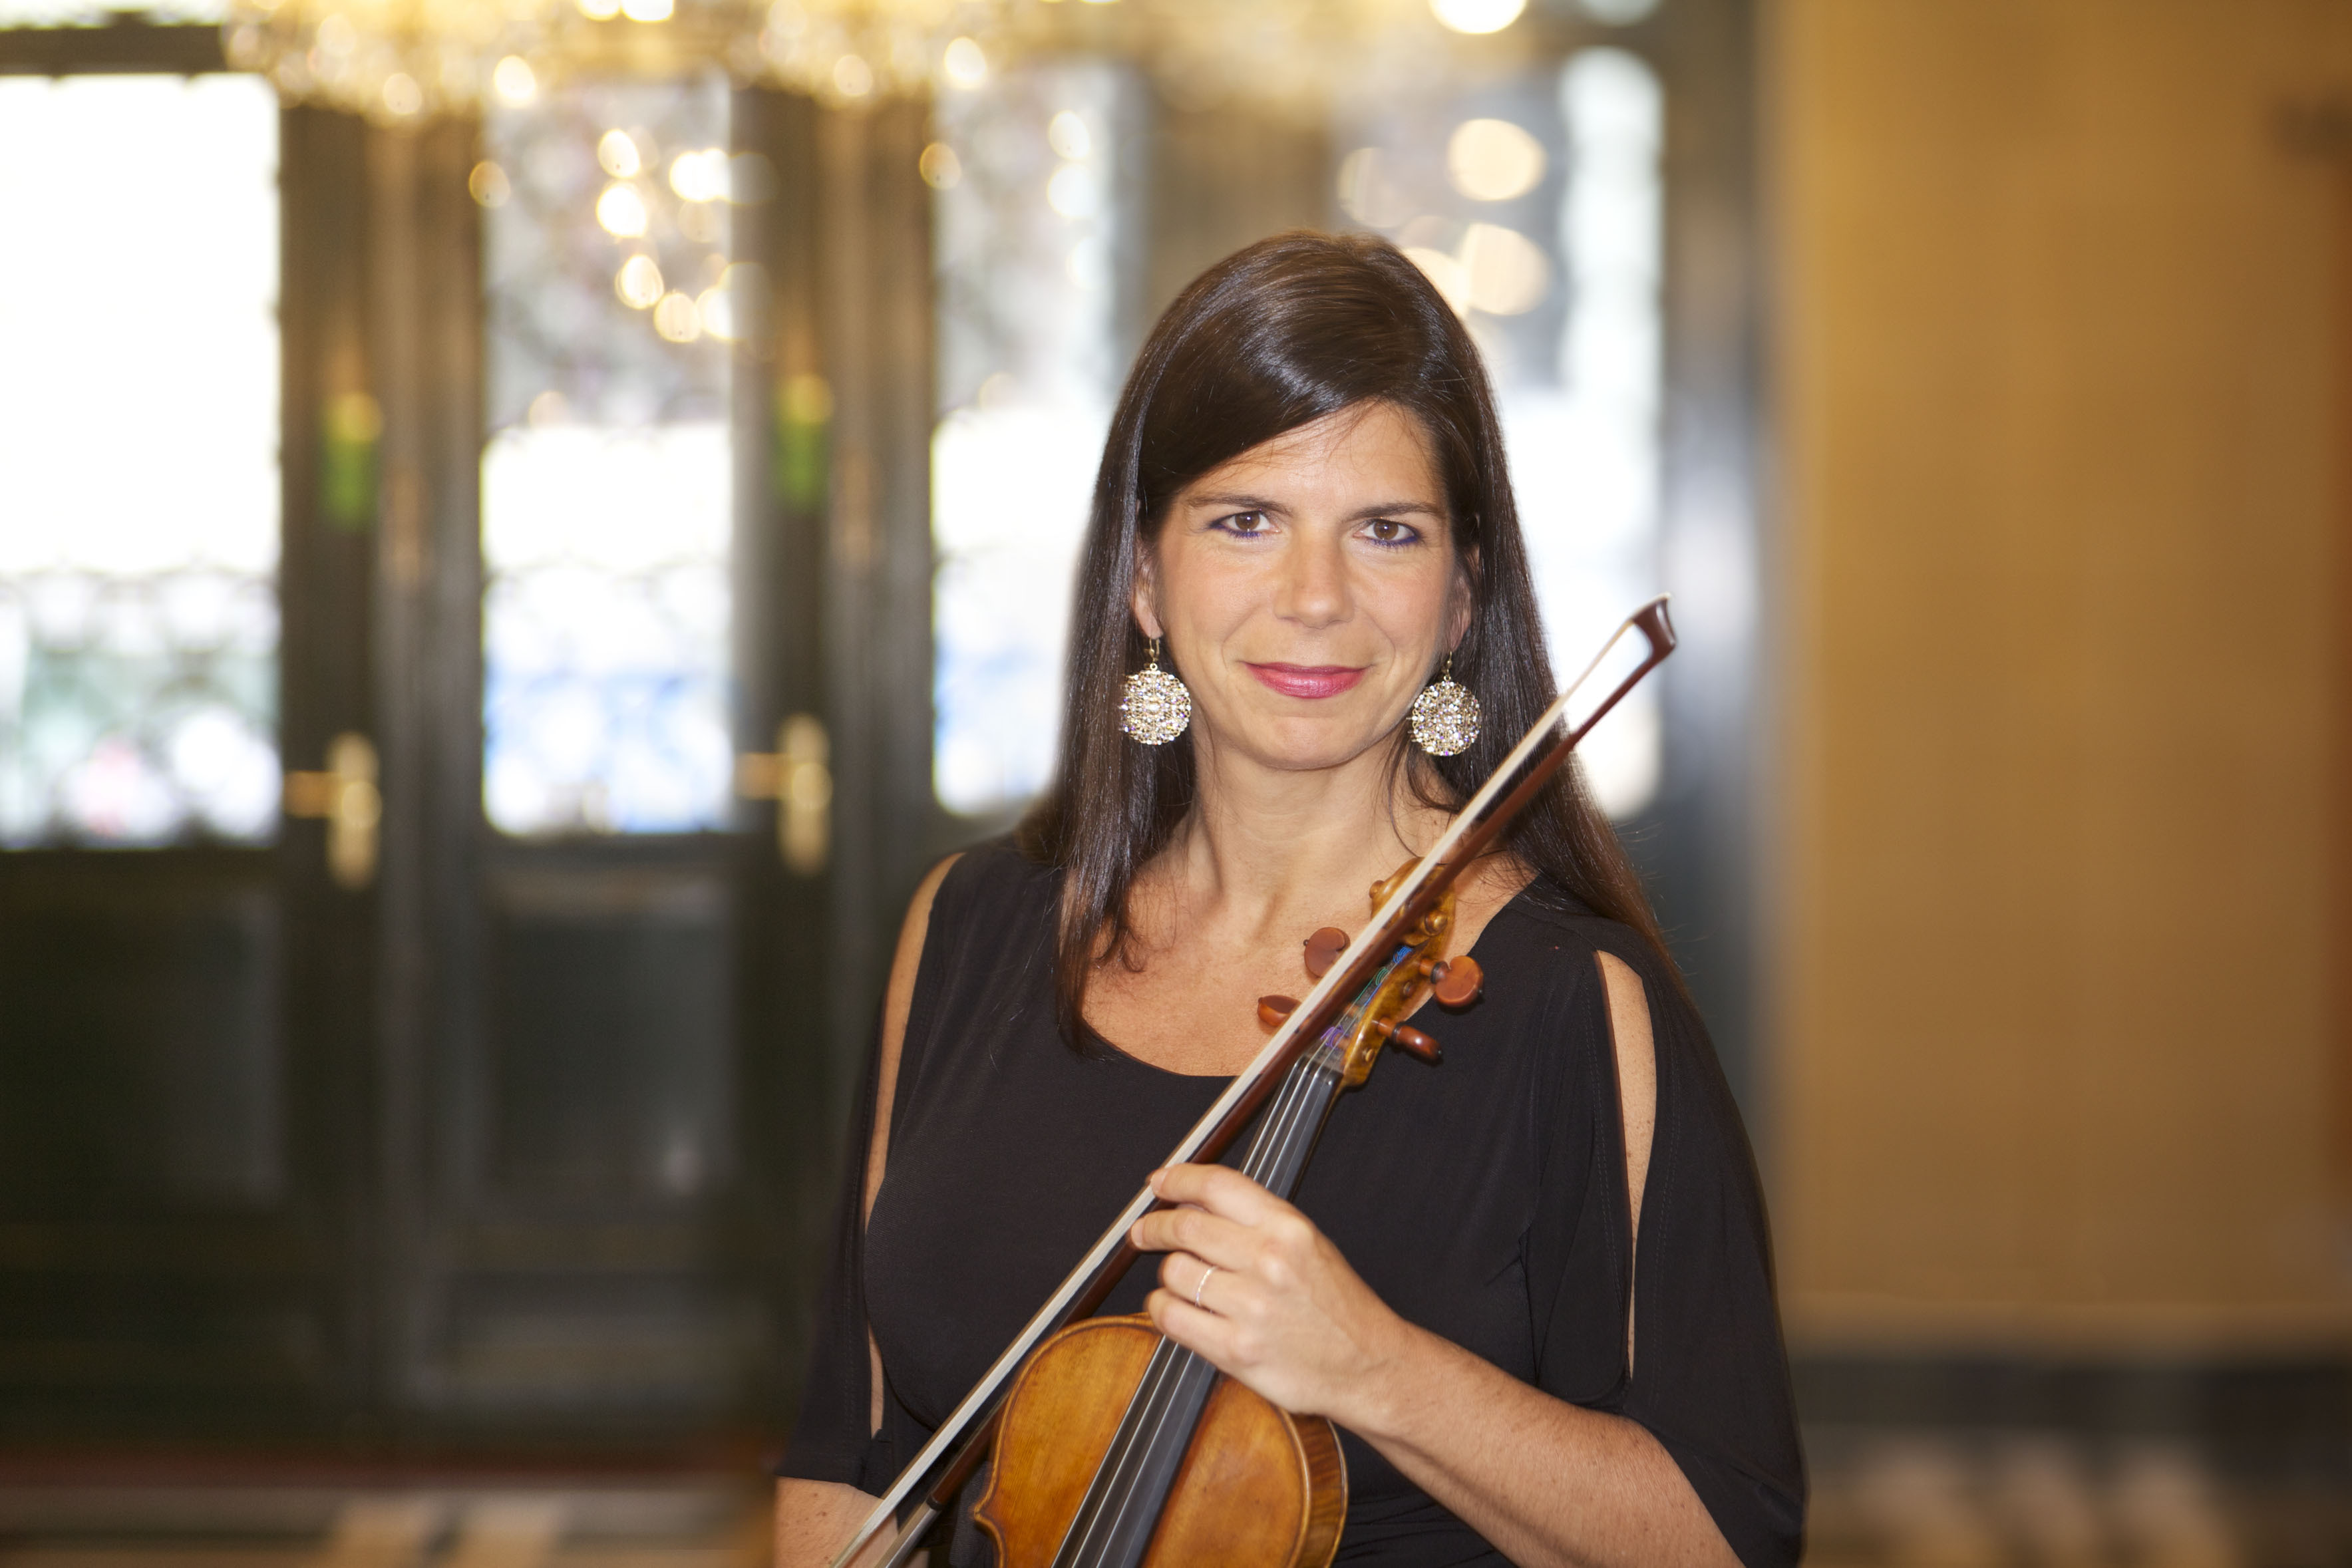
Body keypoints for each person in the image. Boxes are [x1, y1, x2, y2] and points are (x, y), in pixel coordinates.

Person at [774, 232, 1803, 1567]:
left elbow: (1724, 1535)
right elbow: (846, 1458)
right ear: (1142, 578)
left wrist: (1373, 1367)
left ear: (1457, 598)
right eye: (1245, 521)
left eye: (1385, 532)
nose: (1315, 599)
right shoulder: (970, 929)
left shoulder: (1573, 1007)